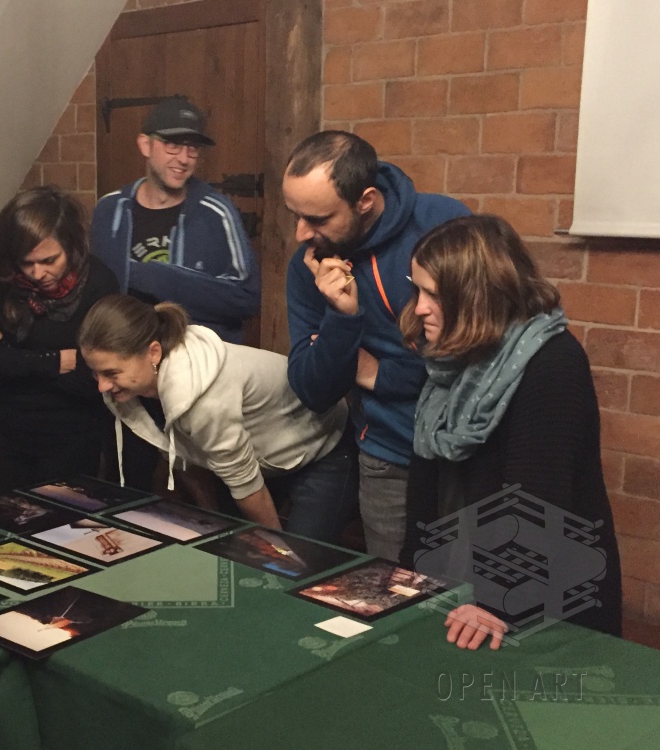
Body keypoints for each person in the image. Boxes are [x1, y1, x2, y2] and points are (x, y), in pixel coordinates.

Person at [398, 214, 622, 649]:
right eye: (417, 289)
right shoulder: (453, 357)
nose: (420, 307)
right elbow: (428, 479)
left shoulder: (553, 361)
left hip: (537, 603)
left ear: (476, 296)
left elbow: (537, 500)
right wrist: (414, 573)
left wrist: (495, 602)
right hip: (456, 579)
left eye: (434, 295)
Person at [283, 130, 470, 561]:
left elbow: (477, 352)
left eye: (317, 219)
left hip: (465, 456)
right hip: (387, 458)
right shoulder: (307, 267)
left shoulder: (444, 224)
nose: (300, 233)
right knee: (395, 588)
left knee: (468, 591)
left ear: (365, 200)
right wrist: (342, 319)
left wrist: (379, 373)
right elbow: (313, 390)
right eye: (295, 215)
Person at [79, 295, 357, 543]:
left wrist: (280, 554)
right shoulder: (139, 387)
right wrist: (216, 523)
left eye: (111, 373)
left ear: (153, 352)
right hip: (263, 456)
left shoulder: (204, 397)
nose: (102, 387)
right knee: (232, 548)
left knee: (302, 561)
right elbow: (184, 457)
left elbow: (246, 485)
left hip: (321, 444)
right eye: (95, 373)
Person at [91, 95, 261, 492]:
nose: (184, 158)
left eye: (193, 148)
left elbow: (245, 298)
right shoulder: (109, 209)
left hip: (195, 382)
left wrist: (152, 275)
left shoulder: (216, 212)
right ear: (145, 144)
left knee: (205, 492)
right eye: (172, 145)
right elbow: (97, 293)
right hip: (128, 379)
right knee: (125, 481)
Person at [0, 186, 119, 494]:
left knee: (64, 522)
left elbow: (92, 380)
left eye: (49, 260)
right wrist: (57, 360)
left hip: (72, 435)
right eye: (26, 263)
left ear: (71, 245)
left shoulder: (99, 283)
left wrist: (7, 353)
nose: (36, 274)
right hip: (5, 432)